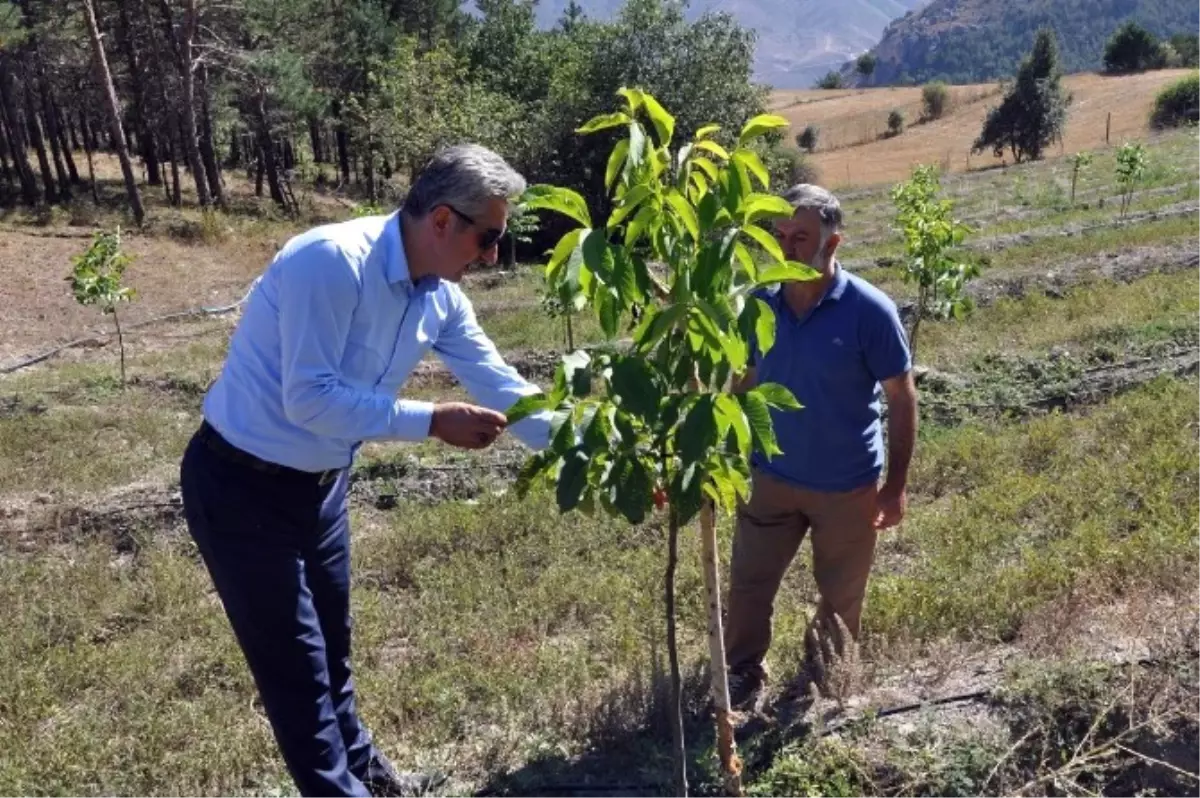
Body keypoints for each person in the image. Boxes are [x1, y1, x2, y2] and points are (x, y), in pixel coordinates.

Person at [179, 144, 552, 797]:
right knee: (299, 676)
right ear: (442, 221)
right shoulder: (331, 262)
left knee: (331, 652)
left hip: (318, 489)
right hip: (241, 488)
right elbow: (310, 397)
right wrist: (432, 420)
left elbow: (503, 388)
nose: (494, 254)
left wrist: (599, 451)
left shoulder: (439, 299)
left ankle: (372, 779)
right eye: (488, 237)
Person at [724, 183, 918, 712]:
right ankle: (741, 673)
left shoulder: (868, 311)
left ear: (831, 245)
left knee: (840, 596)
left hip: (846, 485)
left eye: (800, 236)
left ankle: (818, 680)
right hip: (770, 478)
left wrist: (895, 486)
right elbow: (741, 384)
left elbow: (901, 399)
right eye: (779, 234)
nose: (785, 246)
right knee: (747, 584)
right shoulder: (758, 307)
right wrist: (725, 455)